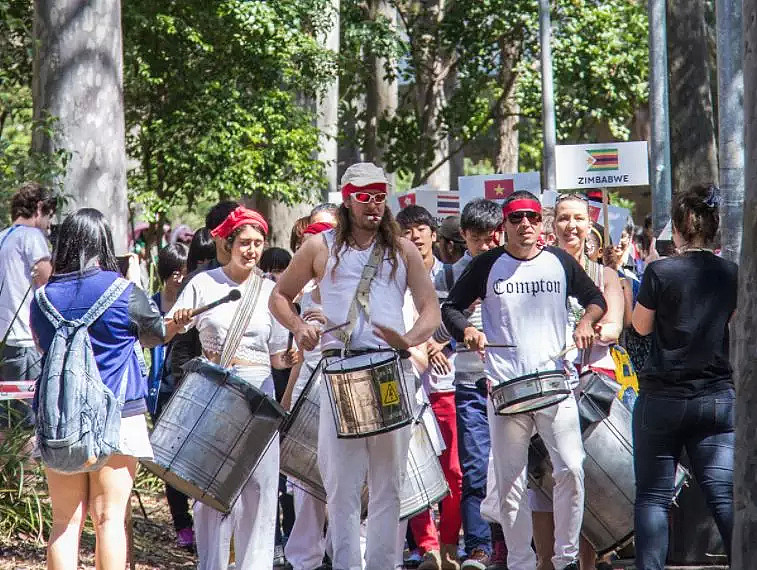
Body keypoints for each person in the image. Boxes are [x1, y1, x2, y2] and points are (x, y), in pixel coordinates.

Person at [269, 161, 440, 570]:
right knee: (341, 487)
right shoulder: (318, 247)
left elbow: (430, 309)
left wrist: (410, 339)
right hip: (339, 372)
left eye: (381, 197)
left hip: (388, 370)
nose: (375, 206)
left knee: (388, 487)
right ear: (347, 200)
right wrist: (298, 327)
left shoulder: (402, 249)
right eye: (365, 198)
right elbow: (279, 296)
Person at [441, 191, 607, 570]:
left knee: (571, 469)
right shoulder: (487, 265)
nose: (525, 224)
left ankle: (564, 560)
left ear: (540, 223)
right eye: (516, 218)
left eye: (532, 217)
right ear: (505, 225)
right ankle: (519, 561)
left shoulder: (560, 262)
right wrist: (467, 329)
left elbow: (596, 298)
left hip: (556, 385)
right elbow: (450, 307)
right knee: (510, 482)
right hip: (505, 390)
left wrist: (584, 322)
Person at [29, 208, 167, 570]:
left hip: (61, 419)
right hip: (119, 414)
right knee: (109, 519)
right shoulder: (123, 291)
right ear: (104, 242)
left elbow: (42, 347)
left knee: (64, 522)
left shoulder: (43, 299)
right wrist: (133, 279)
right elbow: (155, 334)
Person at [167, 206, 291, 570]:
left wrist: (302, 348)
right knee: (209, 492)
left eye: (258, 243)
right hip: (214, 396)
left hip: (260, 398)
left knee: (259, 490)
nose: (252, 250)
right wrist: (176, 321)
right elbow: (168, 331)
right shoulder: (203, 284)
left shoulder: (272, 291)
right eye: (245, 242)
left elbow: (279, 357)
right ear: (228, 243)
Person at [631, 183, 736, 570]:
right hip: (715, 398)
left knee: (653, 497)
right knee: (723, 496)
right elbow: (731, 321)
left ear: (677, 229)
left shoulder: (659, 270)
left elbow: (640, 327)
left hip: (662, 399)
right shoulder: (730, 272)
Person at [531, 192, 625, 570]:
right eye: (564, 218)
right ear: (552, 226)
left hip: (591, 387)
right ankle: (545, 563)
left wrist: (585, 330)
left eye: (578, 219)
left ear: (590, 225)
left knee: (583, 478)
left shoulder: (604, 274)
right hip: (545, 383)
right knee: (540, 479)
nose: (571, 226)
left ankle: (583, 565)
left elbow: (615, 326)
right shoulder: (538, 269)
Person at [433, 199, 504, 570]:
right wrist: (461, 318)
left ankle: (511, 543)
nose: (486, 247)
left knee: (513, 465)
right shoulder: (448, 277)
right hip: (468, 383)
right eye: (477, 240)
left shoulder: (516, 269)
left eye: (492, 239)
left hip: (511, 380)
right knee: (475, 466)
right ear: (464, 237)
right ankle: (479, 546)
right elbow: (436, 331)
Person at [395, 205, 462, 570]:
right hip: (408, 388)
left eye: (422, 229)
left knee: (453, 470)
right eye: (407, 231)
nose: (416, 236)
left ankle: (451, 544)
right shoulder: (394, 277)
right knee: (412, 467)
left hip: (448, 386)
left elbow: (467, 317)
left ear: (434, 235)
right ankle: (427, 547)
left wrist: (443, 343)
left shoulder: (452, 276)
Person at [146, 243, 193, 550]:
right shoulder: (151, 304)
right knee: (169, 459)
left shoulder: (194, 298)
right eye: (173, 272)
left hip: (188, 387)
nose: (178, 278)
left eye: (182, 271)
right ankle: (182, 524)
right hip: (160, 390)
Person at [0, 182, 56, 427]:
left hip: (4, 344)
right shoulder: (32, 236)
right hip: (24, 344)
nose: (49, 224)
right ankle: (30, 468)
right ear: (39, 208)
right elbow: (50, 284)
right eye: (49, 216)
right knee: (28, 425)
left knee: (5, 423)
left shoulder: (3, 237)